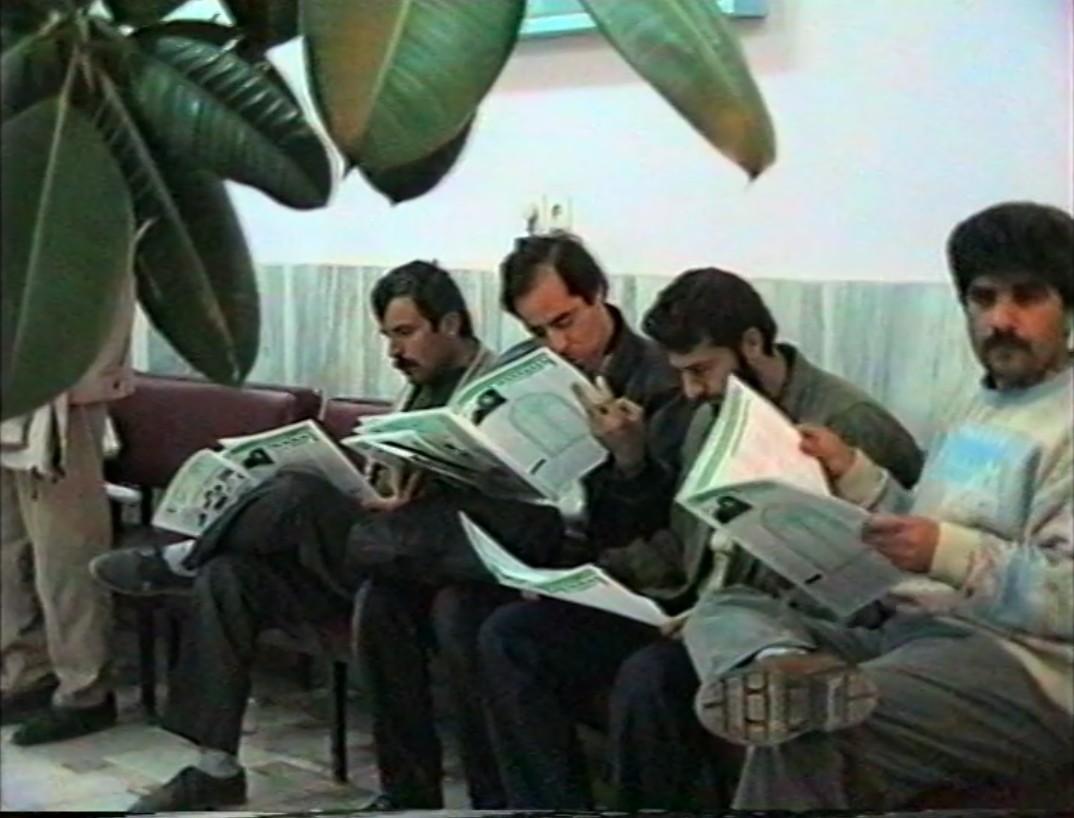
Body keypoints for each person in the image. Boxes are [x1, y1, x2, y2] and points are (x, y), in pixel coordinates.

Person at [478, 267, 925, 810]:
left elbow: (887, 571)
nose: (691, 391)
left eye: (701, 371)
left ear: (752, 344)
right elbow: (685, 543)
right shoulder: (710, 417)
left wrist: (718, 614)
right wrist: (594, 578)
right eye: (682, 374)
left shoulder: (848, 422)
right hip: (683, 606)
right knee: (512, 634)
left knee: (649, 678)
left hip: (766, 629)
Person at [93, 261, 529, 813]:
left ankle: (185, 559)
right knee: (230, 578)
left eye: (405, 333)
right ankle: (215, 768)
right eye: (386, 336)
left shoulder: (494, 394)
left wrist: (408, 505)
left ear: (449, 323)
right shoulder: (416, 388)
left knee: (299, 496)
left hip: (434, 571)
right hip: (375, 553)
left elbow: (508, 504)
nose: (394, 351)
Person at [681, 201, 1073, 811]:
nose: (1001, 319)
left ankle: (795, 696)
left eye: (1027, 297)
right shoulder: (977, 403)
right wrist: (855, 475)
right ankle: (782, 665)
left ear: (1068, 307)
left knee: (805, 738)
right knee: (725, 606)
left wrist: (943, 550)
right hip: (914, 631)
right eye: (983, 298)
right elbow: (932, 525)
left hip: (1020, 668)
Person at [353, 232, 686, 810]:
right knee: (384, 600)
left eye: (566, 321)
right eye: (538, 331)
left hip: (605, 569)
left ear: (598, 293)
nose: (558, 344)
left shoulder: (662, 380)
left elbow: (666, 528)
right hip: (527, 546)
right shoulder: (527, 371)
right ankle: (412, 793)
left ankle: (516, 798)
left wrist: (630, 462)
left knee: (477, 620)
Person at [0, 276, 135, 746]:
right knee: (7, 550)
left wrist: (88, 375)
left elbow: (105, 286)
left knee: (65, 553)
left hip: (60, 392)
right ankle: (26, 674)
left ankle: (85, 690)